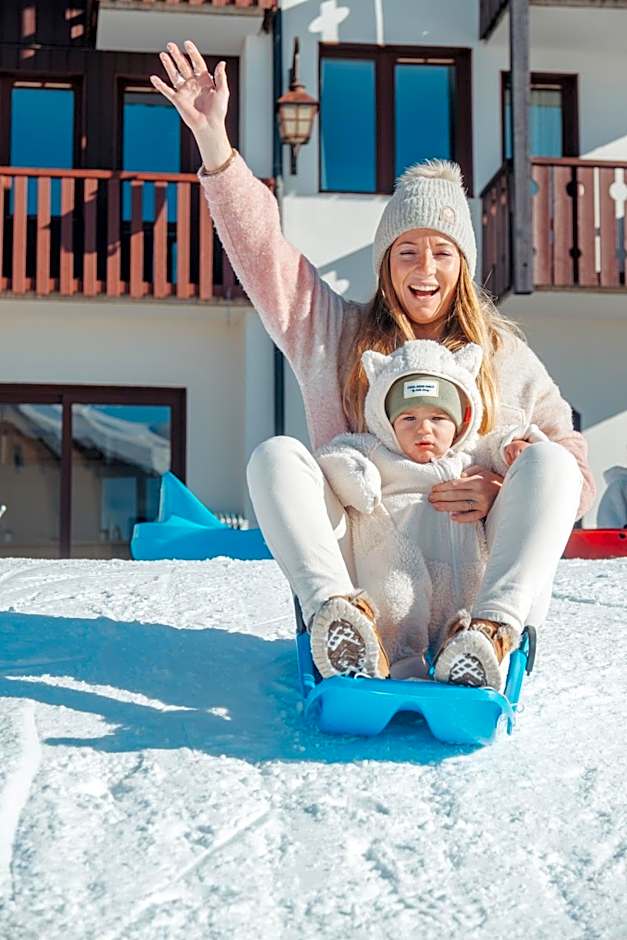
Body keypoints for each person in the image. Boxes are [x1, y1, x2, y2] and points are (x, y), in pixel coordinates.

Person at [150, 43, 594, 690]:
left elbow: (572, 477)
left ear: (462, 265)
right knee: (274, 457)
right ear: (384, 263)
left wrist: (504, 491)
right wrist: (214, 143)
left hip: (471, 577)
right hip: (369, 567)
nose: (424, 268)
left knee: (548, 460)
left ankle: (493, 635)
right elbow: (265, 255)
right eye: (406, 250)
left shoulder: (502, 357)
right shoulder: (340, 335)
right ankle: (337, 618)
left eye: (441, 251)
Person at [314, 338, 549, 690]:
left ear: (460, 421)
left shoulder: (470, 457)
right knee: (397, 600)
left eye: (438, 417)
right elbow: (338, 456)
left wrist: (514, 448)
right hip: (393, 575)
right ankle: (375, 655)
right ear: (386, 419)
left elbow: (504, 446)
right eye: (408, 417)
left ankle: (466, 652)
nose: (423, 429)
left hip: (460, 593)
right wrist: (355, 474)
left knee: (462, 618)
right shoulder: (378, 452)